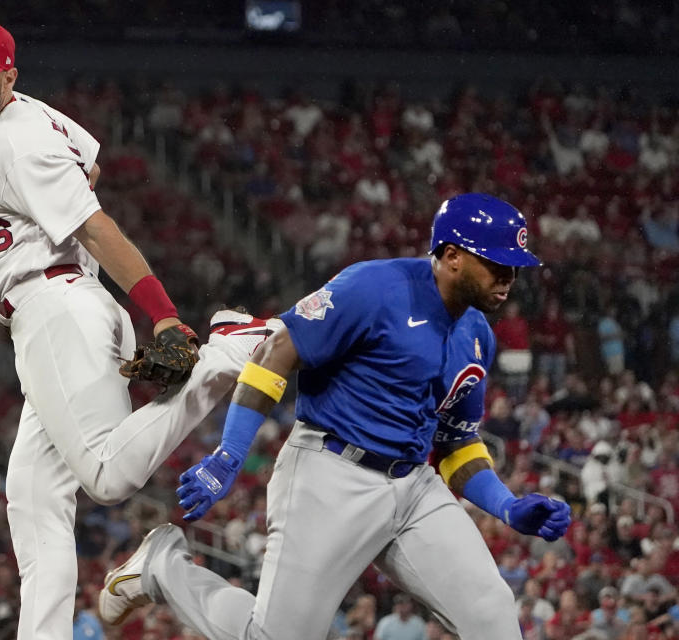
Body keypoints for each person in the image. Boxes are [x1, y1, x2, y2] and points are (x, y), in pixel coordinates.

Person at [0, 20, 279, 639]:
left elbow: (94, 223)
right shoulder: (21, 118)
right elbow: (90, 161)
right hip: (56, 307)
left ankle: (225, 354)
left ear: (8, 78)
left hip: (55, 306)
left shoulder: (16, 141)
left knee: (108, 476)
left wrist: (164, 312)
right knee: (34, 499)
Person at [98, 193, 573, 639]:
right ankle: (162, 566)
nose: (509, 277)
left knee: (495, 622)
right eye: (497, 264)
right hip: (331, 474)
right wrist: (228, 454)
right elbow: (275, 353)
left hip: (413, 488)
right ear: (452, 255)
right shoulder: (376, 287)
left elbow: (456, 444)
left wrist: (508, 506)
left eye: (514, 267)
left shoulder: (477, 335)